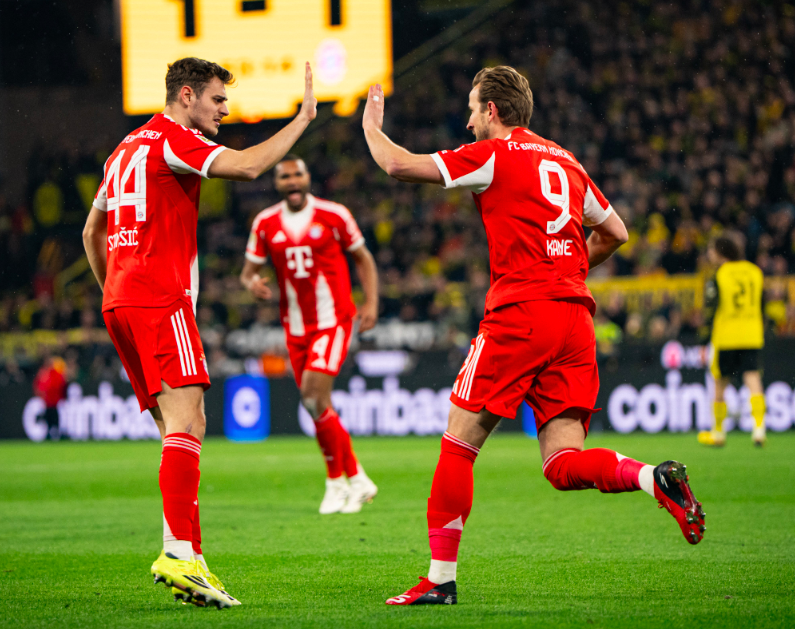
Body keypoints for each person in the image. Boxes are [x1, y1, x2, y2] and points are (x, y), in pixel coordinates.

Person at [361, 66, 706, 606]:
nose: (469, 122)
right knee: (561, 463)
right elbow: (616, 232)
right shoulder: (567, 160)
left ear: (492, 110)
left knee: (458, 443)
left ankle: (440, 579)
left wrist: (370, 126)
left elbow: (396, 164)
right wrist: (565, 269)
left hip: (521, 313)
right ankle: (652, 477)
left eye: (473, 110)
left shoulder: (493, 154)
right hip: (575, 320)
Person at [83, 57, 317, 608]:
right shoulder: (174, 138)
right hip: (159, 297)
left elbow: (92, 230)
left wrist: (113, 288)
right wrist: (304, 118)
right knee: (188, 421)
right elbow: (249, 167)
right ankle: (179, 554)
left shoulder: (124, 148)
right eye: (217, 99)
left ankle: (189, 555)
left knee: (178, 427)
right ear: (186, 95)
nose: (224, 109)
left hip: (121, 300)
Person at [240, 155, 379, 514]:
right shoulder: (265, 222)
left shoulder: (334, 215)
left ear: (307, 178)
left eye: (297, 175)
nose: (292, 181)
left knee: (314, 397)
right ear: (277, 183)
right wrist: (251, 283)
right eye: (285, 177)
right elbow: (247, 271)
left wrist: (371, 303)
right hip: (296, 327)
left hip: (333, 320)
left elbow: (363, 258)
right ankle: (358, 478)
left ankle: (336, 483)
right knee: (317, 405)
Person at [698, 236, 766, 447]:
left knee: (720, 382)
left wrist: (704, 340)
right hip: (751, 334)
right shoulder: (755, 271)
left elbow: (711, 309)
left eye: (711, 250)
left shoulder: (719, 274)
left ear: (720, 251)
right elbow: (762, 304)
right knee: (753, 378)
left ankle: (718, 432)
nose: (709, 254)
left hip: (726, 335)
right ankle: (759, 428)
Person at [32, 355, 67, 440]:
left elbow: (61, 385)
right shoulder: (44, 373)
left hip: (56, 403)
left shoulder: (54, 374)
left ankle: (56, 434)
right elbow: (38, 386)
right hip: (48, 403)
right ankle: (50, 434)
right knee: (49, 419)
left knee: (56, 419)